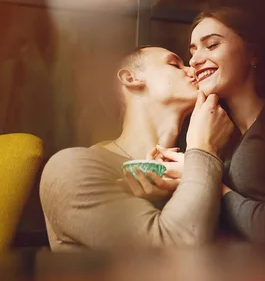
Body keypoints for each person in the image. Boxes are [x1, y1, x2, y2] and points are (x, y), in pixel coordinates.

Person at [40, 46, 234, 251]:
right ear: (130, 79)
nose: (192, 69)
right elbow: (174, 252)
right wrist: (204, 149)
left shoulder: (190, 170)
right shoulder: (71, 167)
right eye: (174, 64)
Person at [138, 7, 265, 245]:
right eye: (193, 50)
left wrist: (206, 181)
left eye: (211, 45)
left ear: (254, 53)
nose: (195, 60)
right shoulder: (207, 128)